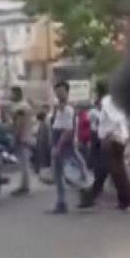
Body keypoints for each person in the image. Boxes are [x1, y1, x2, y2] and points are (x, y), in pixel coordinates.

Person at [79, 81, 130, 211]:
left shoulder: (107, 101)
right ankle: (123, 201)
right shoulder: (116, 100)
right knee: (113, 171)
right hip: (117, 138)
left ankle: (124, 201)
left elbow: (114, 119)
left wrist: (108, 134)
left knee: (113, 171)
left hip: (112, 140)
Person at [48, 81, 81, 214]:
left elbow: (68, 130)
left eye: (61, 90)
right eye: (56, 91)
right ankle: (62, 202)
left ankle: (66, 201)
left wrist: (58, 146)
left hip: (63, 141)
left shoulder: (68, 109)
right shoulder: (59, 108)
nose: (58, 93)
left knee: (67, 173)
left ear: (67, 92)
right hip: (59, 139)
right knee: (62, 173)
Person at [8, 86, 36, 197]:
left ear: (16, 94)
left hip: (22, 137)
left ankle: (24, 186)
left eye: (11, 94)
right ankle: (24, 185)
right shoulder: (25, 106)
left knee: (24, 163)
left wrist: (16, 137)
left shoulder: (20, 107)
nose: (10, 96)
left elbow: (19, 124)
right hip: (27, 136)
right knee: (25, 163)